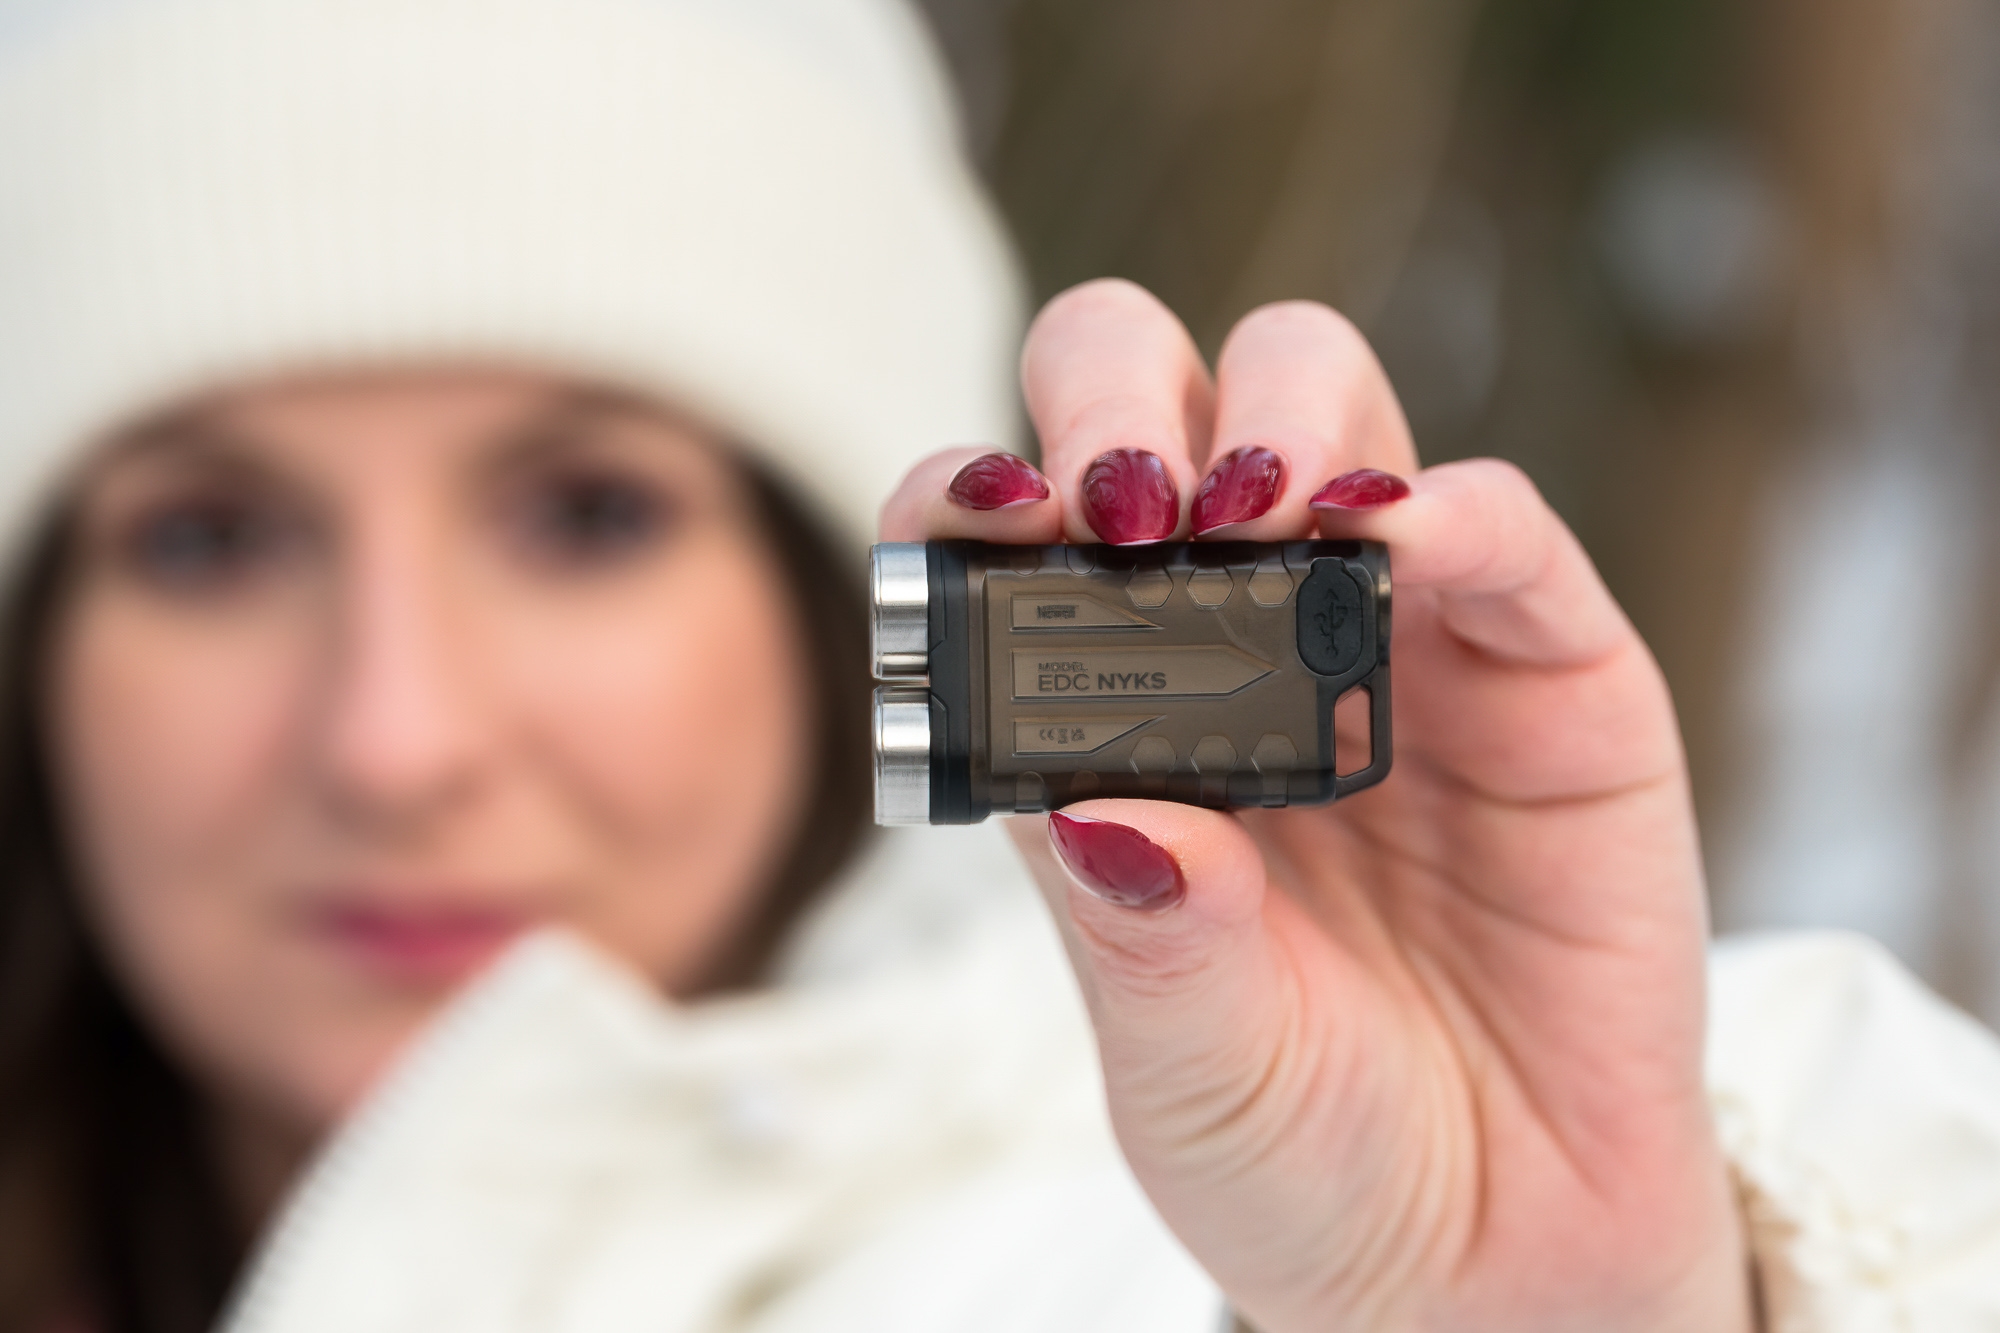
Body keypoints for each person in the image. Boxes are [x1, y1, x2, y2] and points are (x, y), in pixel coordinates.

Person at [0, 2, 1996, 1332]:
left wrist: (1560, 1310)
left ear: (829, 605)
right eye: (207, 539)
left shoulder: (1178, 1239)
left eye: (588, 517)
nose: (394, 735)